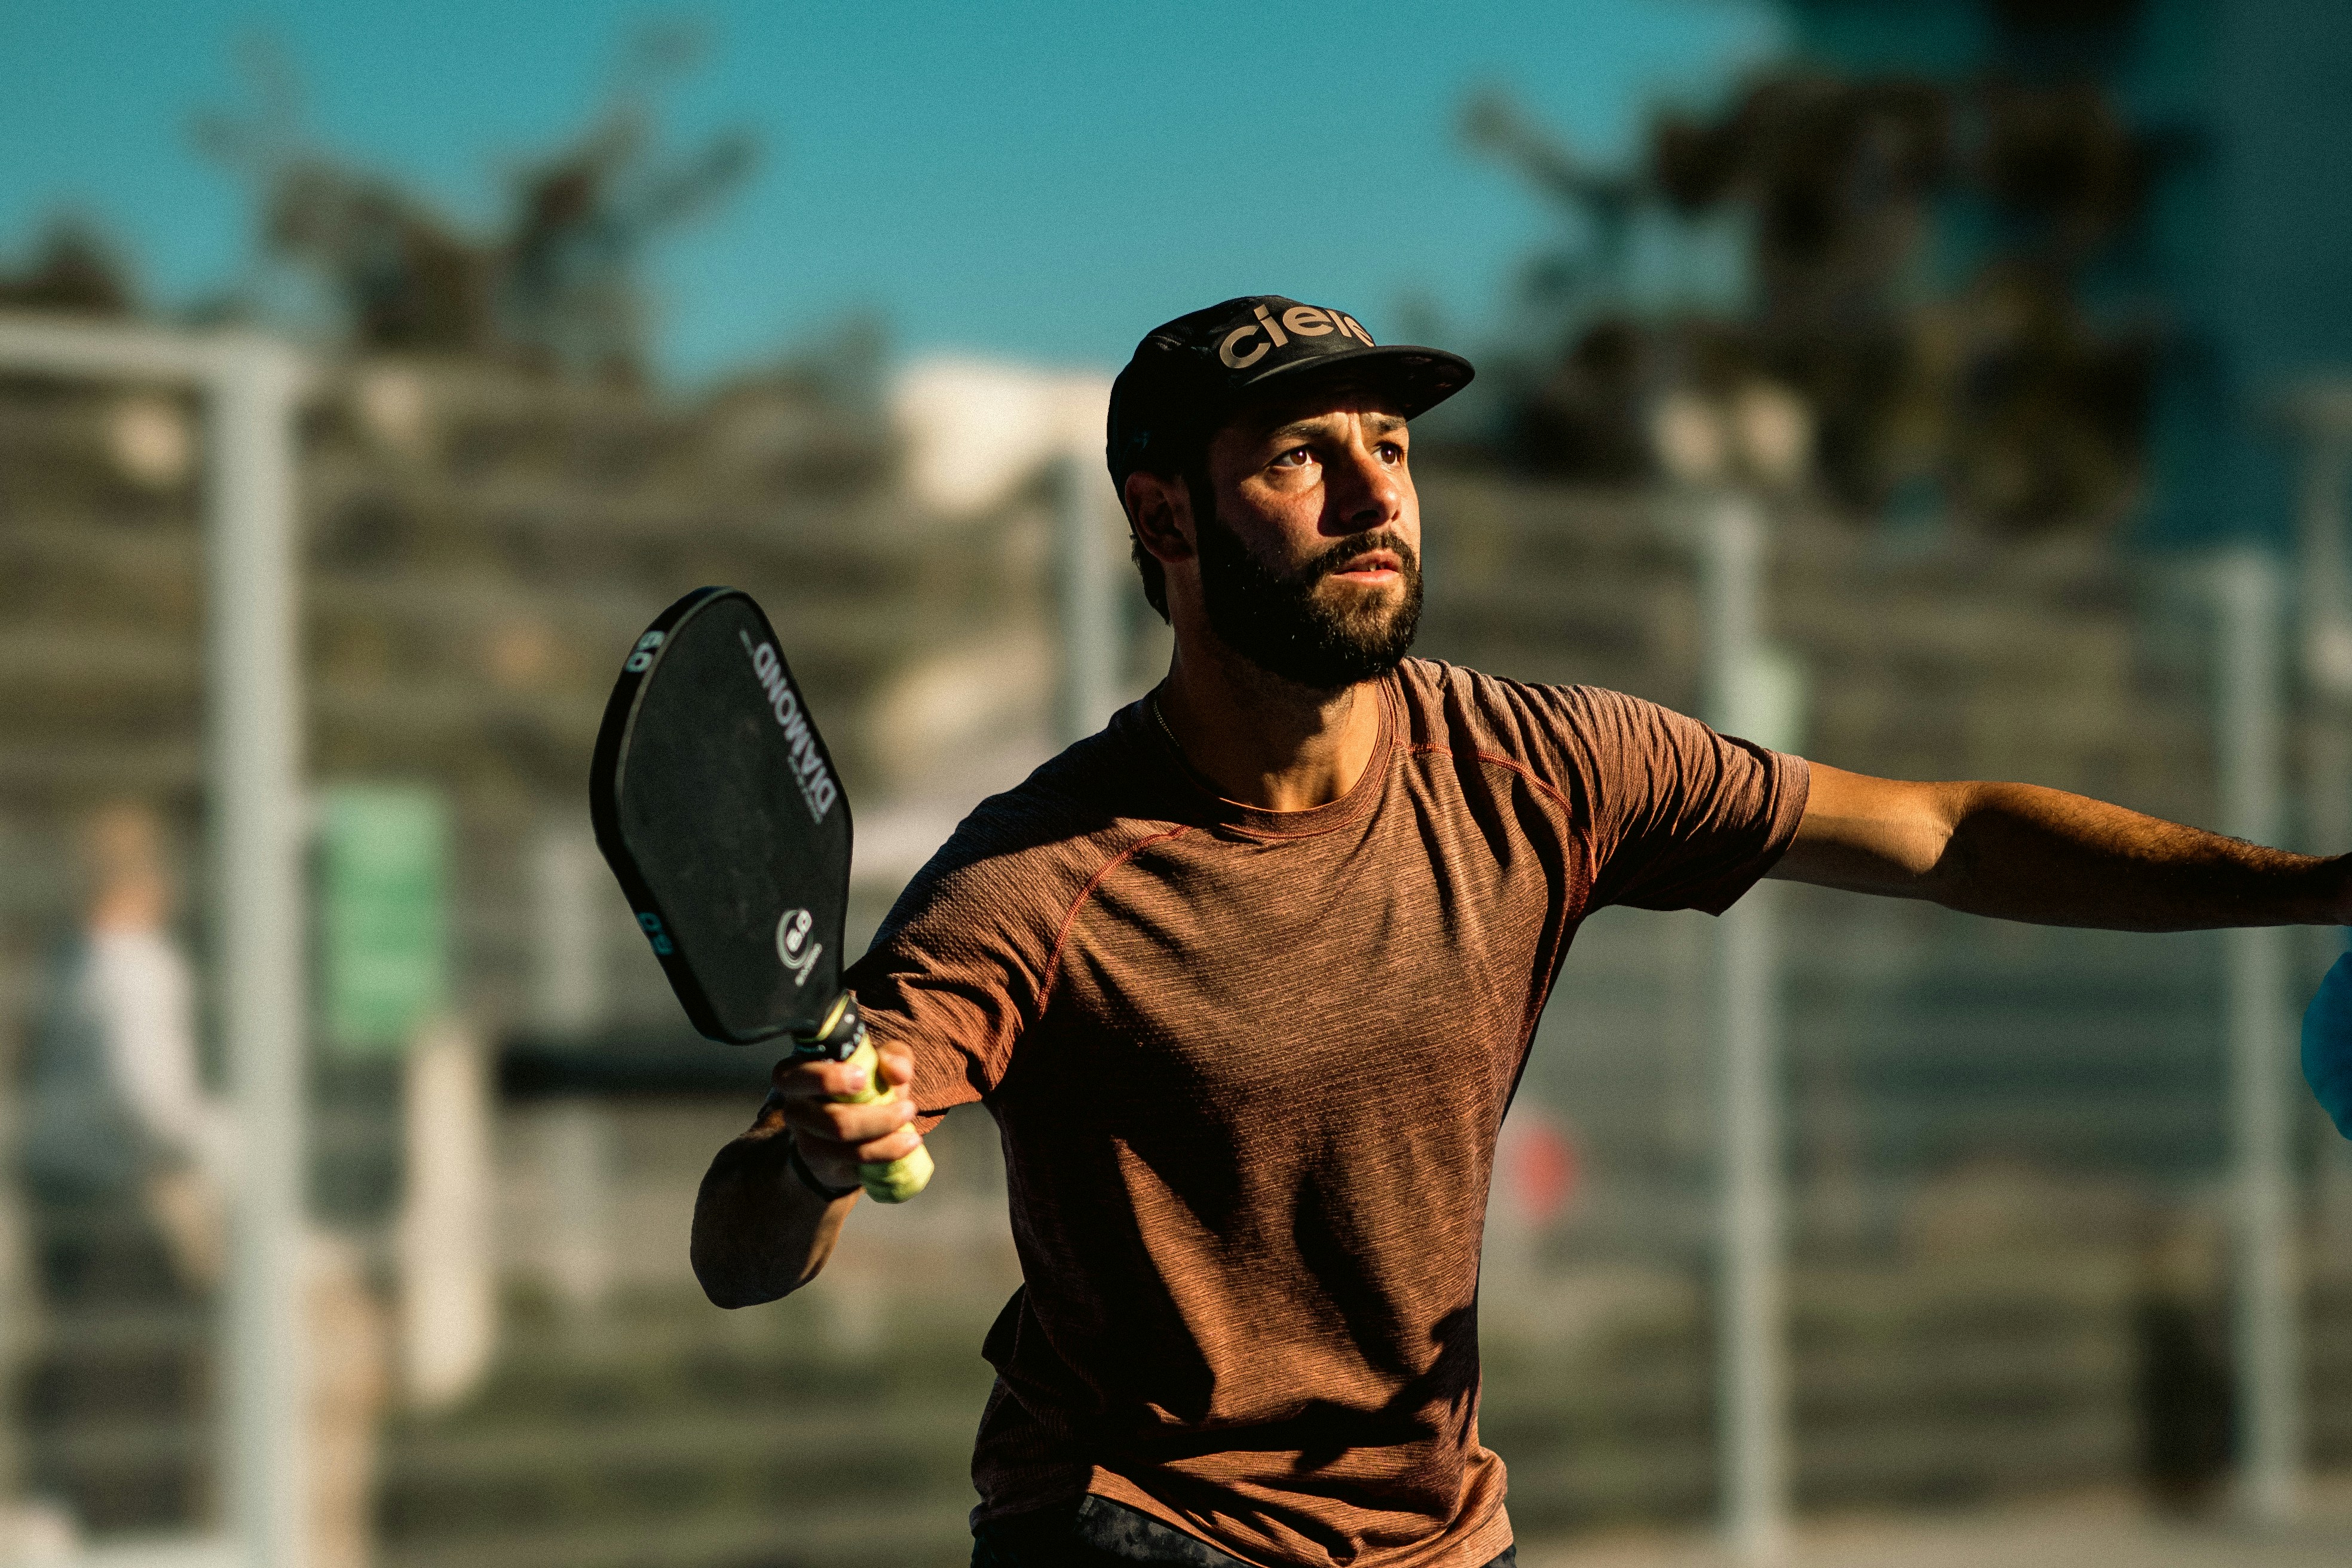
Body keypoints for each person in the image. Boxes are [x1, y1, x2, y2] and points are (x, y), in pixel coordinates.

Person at [691, 296, 2352, 1568]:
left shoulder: (1538, 761)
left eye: (1392, 451)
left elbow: (1944, 831)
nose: (1372, 495)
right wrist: (819, 1165)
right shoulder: (1043, 874)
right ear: (1170, 521)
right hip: (1139, 1526)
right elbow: (741, 1249)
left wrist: (2318, 884)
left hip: (1435, 1525)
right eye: (1298, 459)